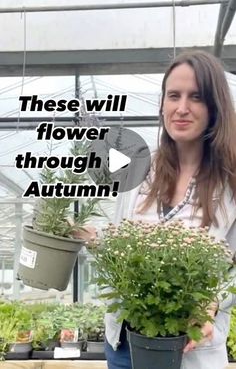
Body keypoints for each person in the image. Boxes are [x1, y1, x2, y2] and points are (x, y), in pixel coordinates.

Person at [104, 50, 236, 369]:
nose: (182, 108)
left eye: (196, 97)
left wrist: (214, 301)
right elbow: (118, 239)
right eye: (173, 96)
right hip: (125, 346)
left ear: (215, 108)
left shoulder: (229, 183)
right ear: (162, 103)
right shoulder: (139, 169)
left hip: (191, 348)